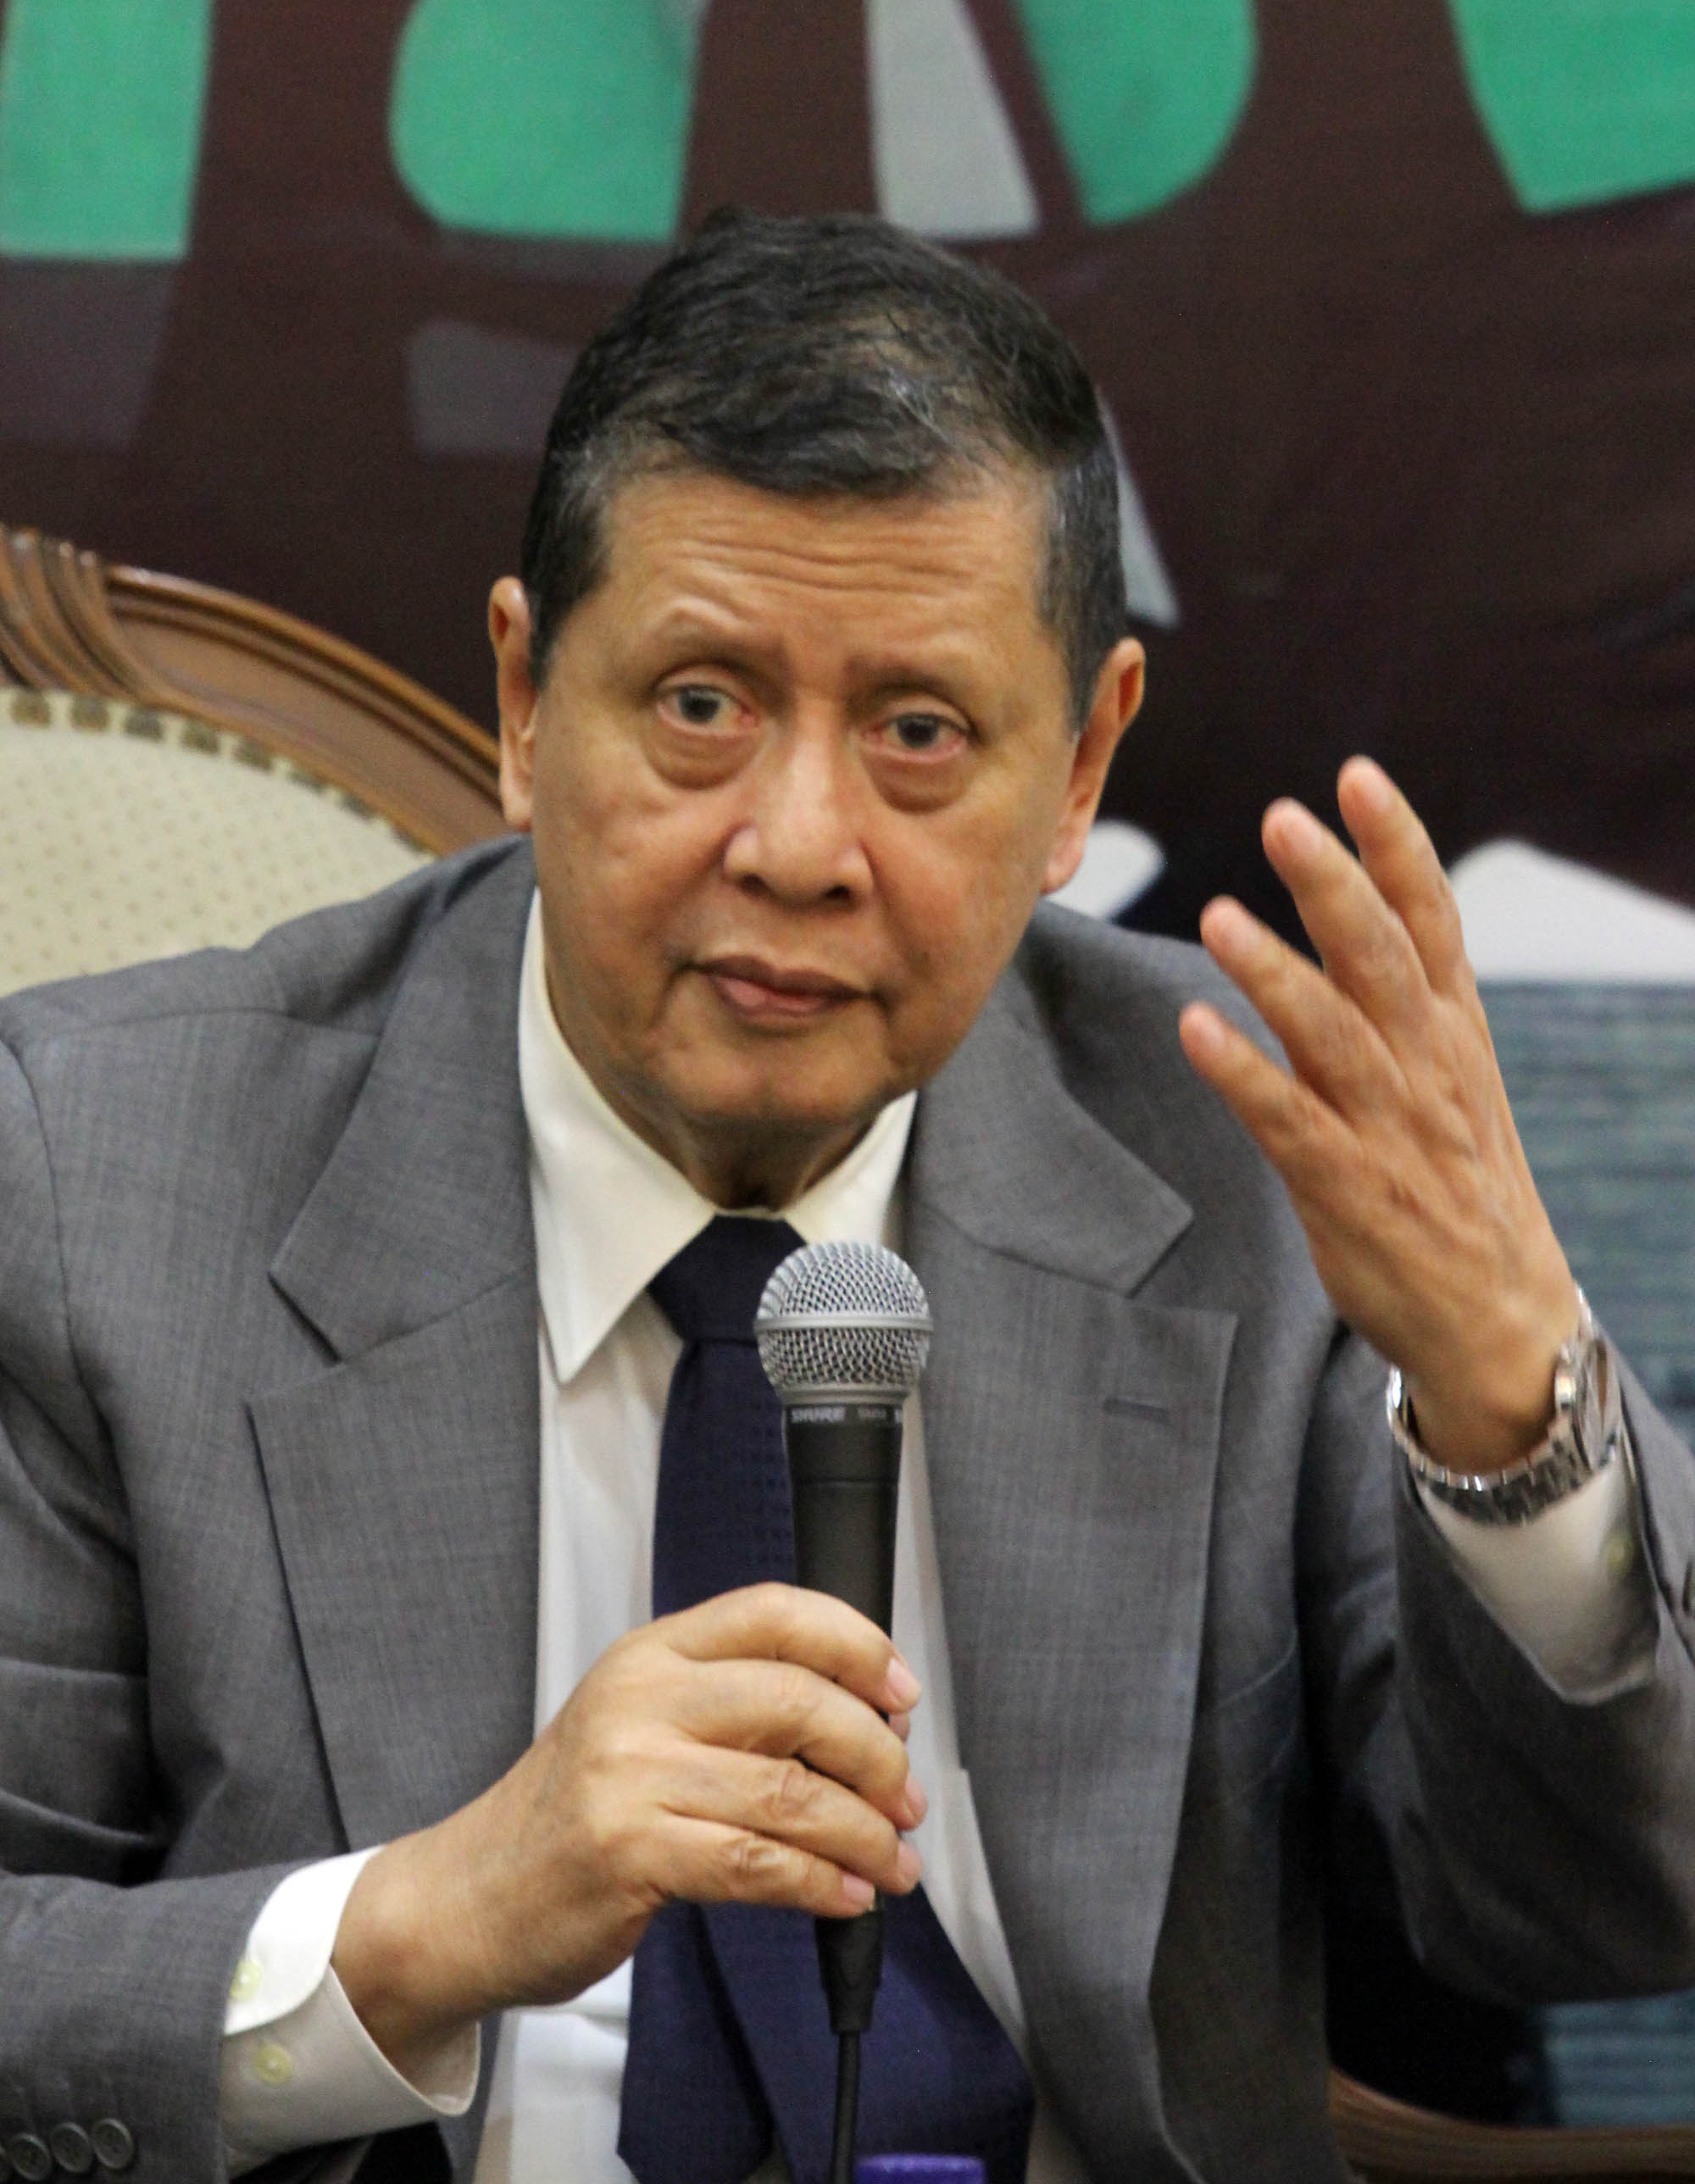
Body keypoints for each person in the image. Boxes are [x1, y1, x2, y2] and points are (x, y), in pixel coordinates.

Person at [3, 210, 1694, 2184]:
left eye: (917, 734)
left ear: (1081, 768)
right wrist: (427, 1921)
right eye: (700, 704)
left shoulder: (1252, 1149)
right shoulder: (103, 1176)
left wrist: (1508, 1412)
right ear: (527, 701)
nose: (800, 845)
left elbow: (1604, 1906)